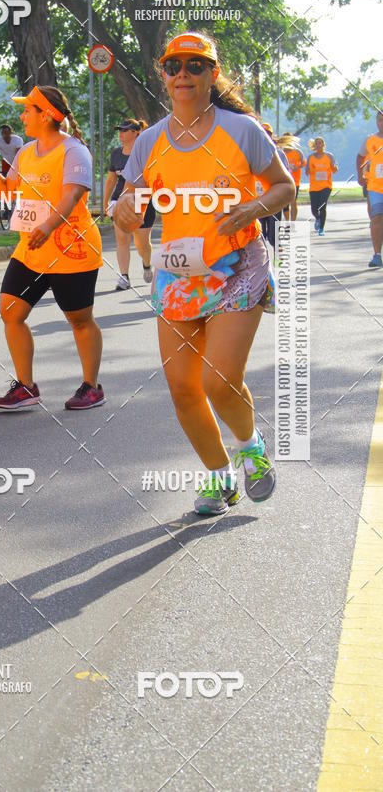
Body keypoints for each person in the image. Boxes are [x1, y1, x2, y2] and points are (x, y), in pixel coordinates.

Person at [114, 32, 294, 515]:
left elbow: (284, 186)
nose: (183, 76)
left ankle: (252, 447)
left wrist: (253, 205)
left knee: (219, 379)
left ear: (212, 74)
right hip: (178, 275)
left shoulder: (241, 131)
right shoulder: (149, 141)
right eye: (173, 66)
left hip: (238, 268)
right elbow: (129, 201)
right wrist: (127, 209)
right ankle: (220, 478)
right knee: (182, 388)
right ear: (163, 73)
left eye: (195, 66)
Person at [0, 85, 105, 411]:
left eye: (27, 110)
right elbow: (6, 192)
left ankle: (92, 386)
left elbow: (72, 196)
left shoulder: (74, 151)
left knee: (79, 320)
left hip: (70, 249)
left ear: (46, 115)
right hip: (31, 249)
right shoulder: (25, 152)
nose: (22, 116)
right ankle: (26, 386)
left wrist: (47, 226)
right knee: (10, 311)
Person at [103, 118, 154, 290]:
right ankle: (124, 276)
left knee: (142, 244)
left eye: (125, 130)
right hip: (120, 200)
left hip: (142, 200)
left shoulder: (145, 152)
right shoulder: (116, 153)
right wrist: (106, 202)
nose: (121, 134)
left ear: (135, 133)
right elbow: (111, 179)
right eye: (120, 130)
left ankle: (146, 264)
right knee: (122, 240)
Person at [255, 122, 289, 254]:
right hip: (257, 198)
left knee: (274, 228)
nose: (265, 137)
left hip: (274, 196)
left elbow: (286, 176)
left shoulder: (279, 153)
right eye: (263, 133)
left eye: (268, 134)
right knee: (261, 230)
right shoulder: (251, 152)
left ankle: (277, 248)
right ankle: (263, 257)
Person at [356, 111, 383, 268]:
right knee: (377, 217)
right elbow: (360, 156)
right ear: (376, 122)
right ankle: (377, 255)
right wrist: (360, 175)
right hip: (375, 187)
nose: (382, 123)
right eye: (380, 120)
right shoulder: (370, 140)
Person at [306, 136, 337, 236]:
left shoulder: (329, 156)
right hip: (314, 187)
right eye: (317, 143)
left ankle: (321, 228)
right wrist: (309, 170)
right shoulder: (310, 157)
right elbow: (306, 171)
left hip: (326, 186)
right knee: (314, 209)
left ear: (323, 145)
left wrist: (333, 166)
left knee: (323, 207)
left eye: (320, 143)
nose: (318, 145)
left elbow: (335, 170)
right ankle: (318, 218)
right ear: (315, 145)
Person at [279, 132, 306, 221]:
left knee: (293, 201)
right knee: (285, 203)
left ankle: (293, 222)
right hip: (283, 181)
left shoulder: (297, 152)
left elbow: (304, 163)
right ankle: (287, 221)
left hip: (295, 181)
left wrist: (298, 166)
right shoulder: (280, 152)